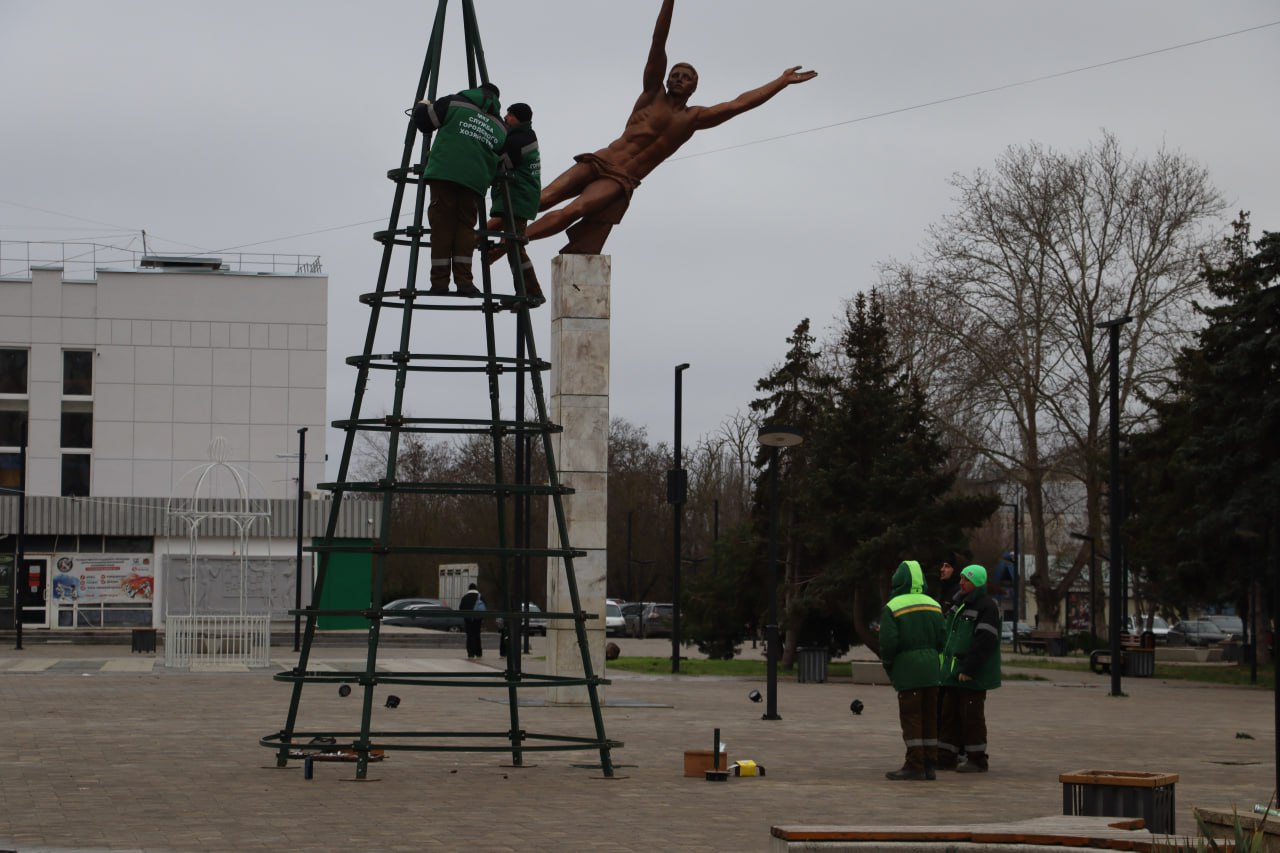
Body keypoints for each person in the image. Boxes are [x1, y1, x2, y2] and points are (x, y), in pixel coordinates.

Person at [523, 0, 816, 255]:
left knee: (573, 211)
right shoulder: (652, 95)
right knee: (541, 199)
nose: (677, 78)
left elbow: (739, 104)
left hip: (620, 179)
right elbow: (658, 42)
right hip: (602, 159)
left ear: (694, 87)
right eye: (674, 74)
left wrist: (781, 82)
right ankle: (483, 230)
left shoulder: (693, 118)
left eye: (685, 77)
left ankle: (512, 242)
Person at [412, 82, 506, 295]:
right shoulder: (500, 126)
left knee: (442, 225)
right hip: (475, 181)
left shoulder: (454, 102)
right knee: (465, 227)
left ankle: (439, 282)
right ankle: (465, 282)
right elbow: (503, 161)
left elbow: (424, 122)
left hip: (444, 172)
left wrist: (422, 106)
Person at [878, 560, 946, 781]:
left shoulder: (893, 606)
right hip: (931, 669)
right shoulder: (934, 605)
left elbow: (888, 644)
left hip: (908, 671)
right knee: (930, 717)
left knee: (912, 718)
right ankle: (930, 764)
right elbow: (942, 639)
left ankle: (914, 764)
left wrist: (890, 665)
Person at [938, 564, 1002, 772]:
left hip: (972, 675)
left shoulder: (987, 607)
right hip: (953, 673)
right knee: (950, 715)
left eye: (966, 579)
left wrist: (969, 669)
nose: (961, 582)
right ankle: (946, 756)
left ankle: (977, 758)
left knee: (971, 716)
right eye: (962, 578)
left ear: (976, 583)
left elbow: (984, 642)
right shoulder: (959, 603)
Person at [488, 102, 544, 301]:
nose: (505, 118)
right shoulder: (525, 136)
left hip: (517, 198)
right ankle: (527, 291)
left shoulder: (519, 140)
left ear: (518, 118)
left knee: (515, 245)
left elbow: (499, 164)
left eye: (509, 115)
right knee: (513, 245)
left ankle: (531, 291)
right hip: (521, 197)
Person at [458, 582, 485, 659]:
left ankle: (471, 654)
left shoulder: (465, 597)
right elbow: (484, 608)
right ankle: (478, 653)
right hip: (478, 620)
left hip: (468, 620)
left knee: (470, 636)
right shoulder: (480, 597)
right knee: (477, 635)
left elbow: (461, 609)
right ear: (476, 588)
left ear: (469, 589)